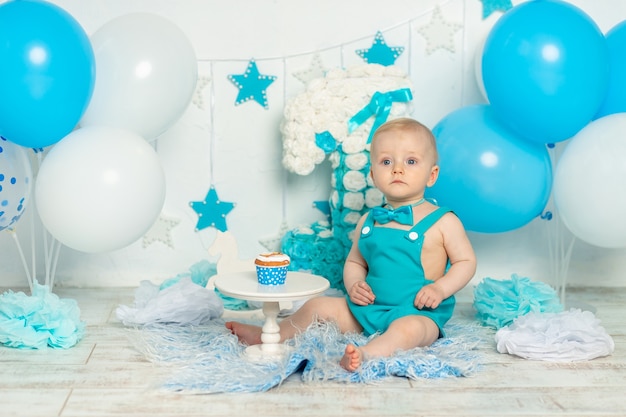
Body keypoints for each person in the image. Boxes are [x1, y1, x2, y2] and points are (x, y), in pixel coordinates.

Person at [226, 117, 477, 371]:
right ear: (372, 174)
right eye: (386, 161)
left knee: (409, 330)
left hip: (418, 311)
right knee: (318, 306)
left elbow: (465, 262)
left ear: (431, 175)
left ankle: (366, 354)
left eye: (411, 161)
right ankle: (270, 335)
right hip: (370, 309)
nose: (397, 169)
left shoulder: (443, 221)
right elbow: (355, 261)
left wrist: (440, 289)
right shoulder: (368, 220)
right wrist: (355, 284)